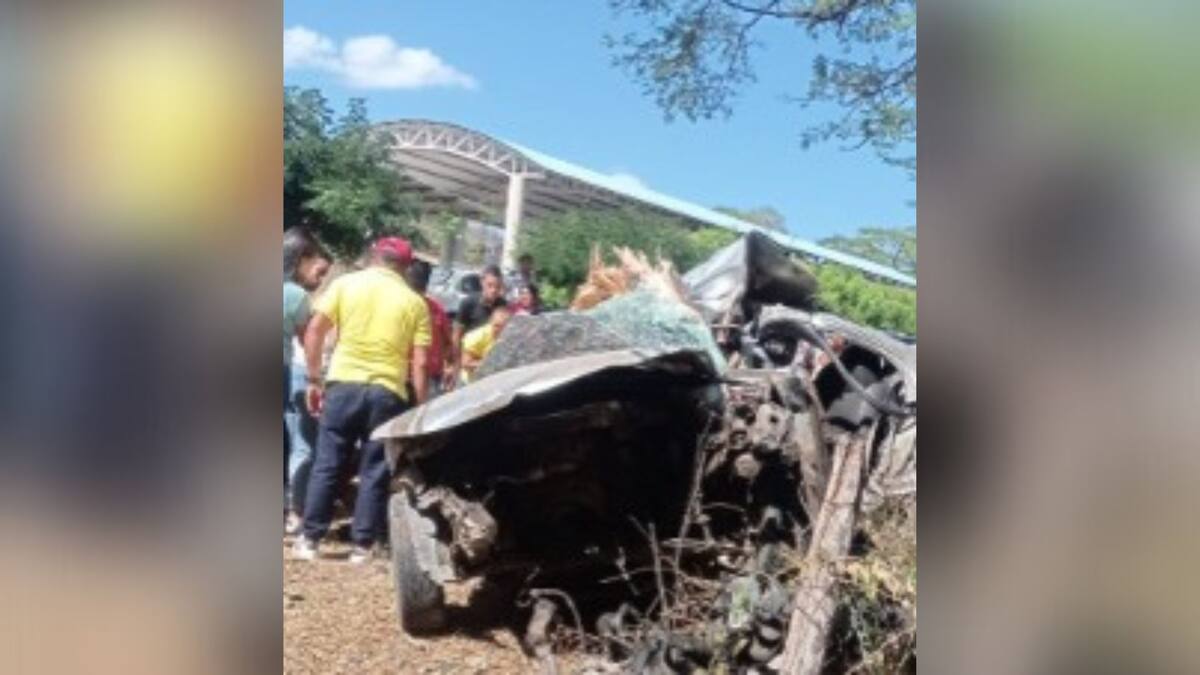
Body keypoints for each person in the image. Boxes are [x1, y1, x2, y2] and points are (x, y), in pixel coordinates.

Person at [293, 237, 431, 563]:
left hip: (343, 384)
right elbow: (421, 362)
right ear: (405, 267)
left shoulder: (346, 285)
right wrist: (421, 406)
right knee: (375, 469)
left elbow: (314, 331)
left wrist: (314, 378)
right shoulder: (415, 303)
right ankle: (363, 546)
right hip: (387, 392)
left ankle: (310, 539)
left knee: (327, 462)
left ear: (374, 257)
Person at [283, 228, 330, 533]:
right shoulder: (296, 295)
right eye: (314, 264)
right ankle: (295, 512)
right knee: (300, 444)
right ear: (301, 259)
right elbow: (308, 339)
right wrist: (315, 377)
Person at [448, 264, 507, 388]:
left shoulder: (502, 305)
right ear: (482, 282)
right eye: (490, 285)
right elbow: (456, 335)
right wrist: (455, 365)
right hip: (468, 365)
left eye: (497, 286)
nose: (493, 290)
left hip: (490, 370)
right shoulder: (468, 303)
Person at [405, 260, 452, 397]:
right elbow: (448, 344)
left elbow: (448, 344)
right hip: (412, 377)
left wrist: (448, 366)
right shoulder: (436, 309)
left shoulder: (436, 309)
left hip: (424, 377)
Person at [459, 305, 512, 383]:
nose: (499, 330)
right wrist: (490, 365)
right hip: (472, 381)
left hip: (495, 379)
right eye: (496, 326)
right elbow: (466, 364)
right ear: (490, 321)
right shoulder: (476, 337)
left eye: (503, 326)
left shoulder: (510, 335)